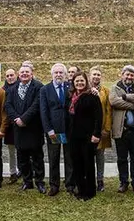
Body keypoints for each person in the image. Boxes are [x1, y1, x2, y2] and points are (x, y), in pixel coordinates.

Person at [5, 64, 45, 192]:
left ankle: (39, 182)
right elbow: (8, 105)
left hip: (33, 127)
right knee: (22, 157)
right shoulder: (12, 88)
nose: (24, 74)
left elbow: (36, 105)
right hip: (18, 128)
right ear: (18, 74)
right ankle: (27, 181)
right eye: (22, 72)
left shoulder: (39, 87)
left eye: (27, 72)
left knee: (37, 157)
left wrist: (24, 119)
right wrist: (17, 119)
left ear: (32, 73)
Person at [109, 65, 134, 195]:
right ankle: (123, 182)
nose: (129, 77)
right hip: (121, 130)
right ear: (122, 75)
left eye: (132, 75)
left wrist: (125, 97)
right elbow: (114, 101)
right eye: (127, 74)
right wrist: (132, 104)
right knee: (122, 158)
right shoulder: (115, 88)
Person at [40, 63, 74, 196]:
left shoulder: (70, 88)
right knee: (53, 158)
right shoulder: (45, 89)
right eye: (56, 73)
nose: (58, 75)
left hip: (68, 130)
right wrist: (49, 130)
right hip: (53, 131)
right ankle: (54, 185)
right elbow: (43, 111)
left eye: (61, 73)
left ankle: (70, 184)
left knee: (69, 158)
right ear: (52, 74)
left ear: (65, 75)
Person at [68, 72, 103, 200]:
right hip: (74, 136)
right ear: (73, 83)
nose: (79, 83)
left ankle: (90, 191)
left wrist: (96, 134)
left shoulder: (92, 96)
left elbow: (99, 117)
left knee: (88, 163)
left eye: (82, 81)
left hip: (88, 136)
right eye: (77, 81)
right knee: (77, 163)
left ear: (86, 82)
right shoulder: (71, 96)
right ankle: (80, 189)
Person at [89, 67, 112, 192]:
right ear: (89, 76)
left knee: (100, 156)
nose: (96, 76)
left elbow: (109, 111)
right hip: (87, 130)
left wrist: (107, 128)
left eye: (98, 74)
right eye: (94, 74)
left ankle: (100, 180)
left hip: (101, 128)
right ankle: (90, 179)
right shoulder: (85, 90)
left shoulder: (106, 91)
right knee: (88, 155)